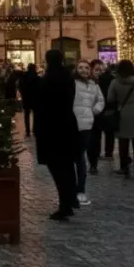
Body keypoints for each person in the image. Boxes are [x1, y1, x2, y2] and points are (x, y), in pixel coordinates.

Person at [35, 49, 80, 220]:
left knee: (57, 168)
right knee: (67, 166)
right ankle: (70, 200)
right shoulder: (68, 78)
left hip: (51, 128)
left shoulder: (46, 80)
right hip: (67, 124)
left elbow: (40, 106)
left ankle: (65, 204)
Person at [72, 59, 105, 206]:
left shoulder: (94, 85)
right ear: (76, 69)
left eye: (86, 67)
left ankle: (80, 190)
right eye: (80, 67)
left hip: (86, 125)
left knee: (80, 157)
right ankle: (71, 189)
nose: (84, 70)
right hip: (72, 124)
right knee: (72, 157)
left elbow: (101, 100)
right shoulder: (72, 83)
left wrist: (94, 111)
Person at [89, 60, 115, 163]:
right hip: (96, 111)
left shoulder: (109, 79)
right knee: (96, 134)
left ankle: (108, 153)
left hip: (107, 110)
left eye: (101, 70)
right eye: (97, 70)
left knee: (108, 133)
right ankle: (97, 153)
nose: (99, 72)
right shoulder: (89, 81)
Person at [18, 63, 39, 136]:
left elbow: (20, 86)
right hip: (35, 99)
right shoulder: (36, 77)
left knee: (26, 115)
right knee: (35, 114)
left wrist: (23, 94)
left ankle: (27, 131)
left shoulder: (24, 77)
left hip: (26, 98)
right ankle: (35, 129)